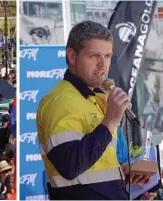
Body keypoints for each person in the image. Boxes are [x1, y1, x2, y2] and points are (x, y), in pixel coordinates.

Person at [36, 21, 150, 200]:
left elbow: (90, 168)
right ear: (72, 57)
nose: (102, 65)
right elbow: (70, 166)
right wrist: (110, 122)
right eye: (94, 56)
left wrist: (119, 173)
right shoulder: (60, 100)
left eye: (107, 56)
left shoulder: (93, 98)